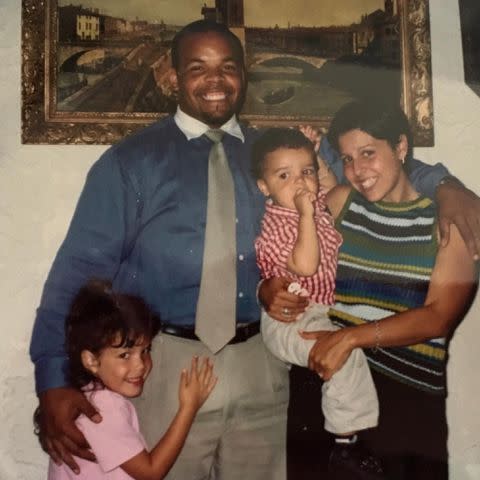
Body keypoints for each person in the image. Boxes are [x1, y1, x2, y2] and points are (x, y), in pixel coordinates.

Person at [29, 19, 480, 480]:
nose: (215, 79)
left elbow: (372, 169)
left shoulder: (278, 158)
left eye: (228, 66)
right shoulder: (130, 162)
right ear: (171, 76)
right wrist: (54, 379)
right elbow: (79, 272)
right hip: (166, 365)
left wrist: (447, 186)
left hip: (263, 359)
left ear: (245, 75)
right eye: (197, 67)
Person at [260, 101, 478, 480]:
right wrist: (267, 287)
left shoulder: (447, 222)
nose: (358, 171)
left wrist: (350, 339)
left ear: (401, 147)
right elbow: (284, 246)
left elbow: (438, 317)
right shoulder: (341, 203)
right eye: (346, 159)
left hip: (405, 403)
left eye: (368, 153)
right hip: (327, 388)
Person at [252, 128, 383, 479]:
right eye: (284, 175)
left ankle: (349, 438)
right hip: (288, 320)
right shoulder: (277, 224)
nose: (300, 183)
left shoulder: (312, 200)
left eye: (305, 172)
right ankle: (345, 445)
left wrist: (316, 156)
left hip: (319, 311)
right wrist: (307, 215)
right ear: (264, 187)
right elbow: (306, 265)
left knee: (347, 352)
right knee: (344, 352)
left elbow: (324, 180)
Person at [42, 278, 216, 480]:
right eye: (125, 355)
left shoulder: (89, 393)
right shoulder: (104, 407)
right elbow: (150, 473)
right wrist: (189, 407)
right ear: (91, 360)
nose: (141, 365)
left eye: (145, 351)